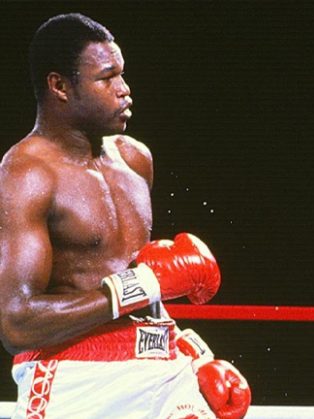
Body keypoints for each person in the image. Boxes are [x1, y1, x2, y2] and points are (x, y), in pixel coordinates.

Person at [0, 13, 250, 419]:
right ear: (59, 86)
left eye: (122, 75)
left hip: (160, 368)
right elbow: (16, 324)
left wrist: (196, 353)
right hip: (74, 377)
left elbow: (144, 286)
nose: (124, 90)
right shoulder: (28, 173)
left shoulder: (134, 160)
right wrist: (143, 283)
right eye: (106, 78)